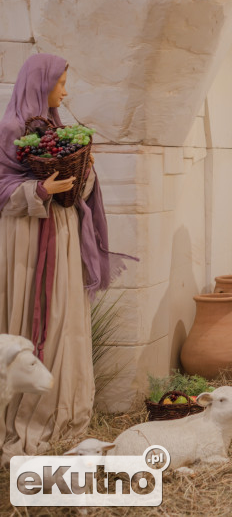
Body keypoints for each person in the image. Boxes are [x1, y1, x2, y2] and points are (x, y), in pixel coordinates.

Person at [0, 54, 128, 463]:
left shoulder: (57, 130)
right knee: (34, 314)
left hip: (63, 231)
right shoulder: (8, 129)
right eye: (60, 83)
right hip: (26, 237)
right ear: (40, 84)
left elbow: (80, 187)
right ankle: (25, 418)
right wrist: (39, 191)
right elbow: (3, 186)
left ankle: (63, 415)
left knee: (65, 320)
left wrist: (84, 170)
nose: (65, 91)